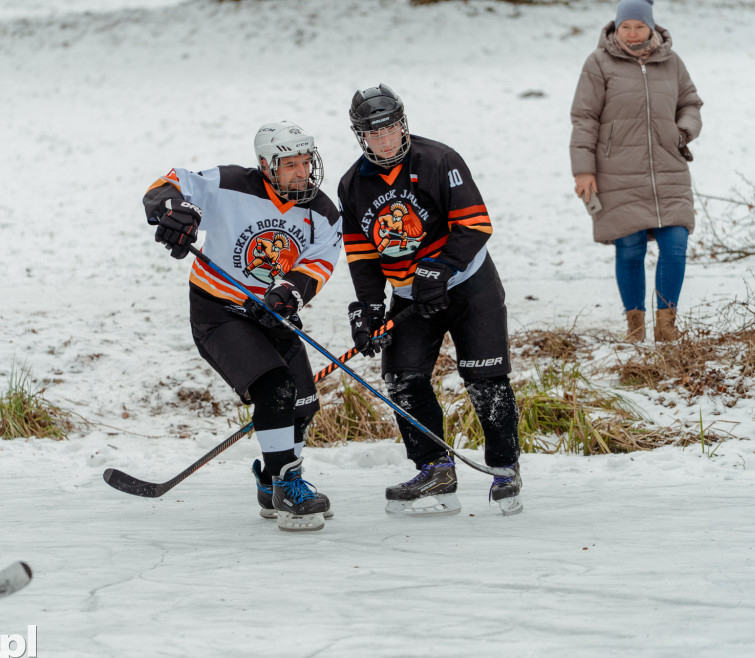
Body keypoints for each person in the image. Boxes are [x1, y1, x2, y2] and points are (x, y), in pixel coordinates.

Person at [143, 121, 342, 532]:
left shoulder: (321, 211)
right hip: (219, 313)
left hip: (272, 313)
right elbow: (172, 182)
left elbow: (318, 262)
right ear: (268, 166)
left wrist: (290, 292)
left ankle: (273, 482)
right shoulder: (231, 183)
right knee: (276, 389)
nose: (303, 172)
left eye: (307, 162)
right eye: (291, 165)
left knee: (303, 403)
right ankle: (289, 486)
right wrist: (172, 211)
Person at [337, 84, 522, 517]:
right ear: (360, 136)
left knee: (485, 379)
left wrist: (439, 268)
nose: (385, 140)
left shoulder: (440, 159)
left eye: (391, 129)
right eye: (374, 134)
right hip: (410, 296)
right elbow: (362, 255)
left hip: (469, 284)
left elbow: (475, 226)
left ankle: (504, 468)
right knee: (402, 377)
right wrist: (368, 307)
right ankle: (435, 468)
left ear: (403, 125)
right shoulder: (352, 185)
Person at [570, 0, 703, 343]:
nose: (632, 34)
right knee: (630, 249)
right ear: (616, 27)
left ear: (651, 27)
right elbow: (584, 118)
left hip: (668, 168)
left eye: (639, 27)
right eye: (625, 26)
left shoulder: (671, 62)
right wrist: (583, 170)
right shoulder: (598, 63)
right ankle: (635, 329)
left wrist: (682, 132)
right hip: (617, 171)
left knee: (675, 245)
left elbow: (690, 103)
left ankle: (667, 326)